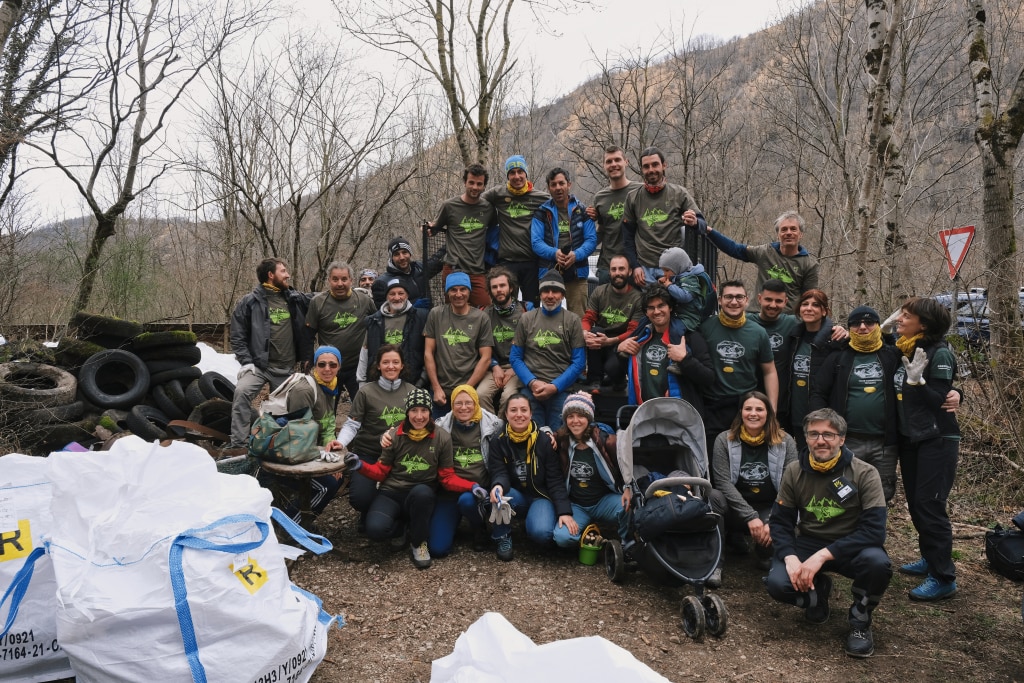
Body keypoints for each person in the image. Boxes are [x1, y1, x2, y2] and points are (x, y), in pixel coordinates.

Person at [765, 408, 891, 659]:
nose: (820, 440)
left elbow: (874, 531)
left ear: (842, 439)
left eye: (828, 435)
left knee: (878, 564)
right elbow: (780, 522)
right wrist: (790, 557)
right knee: (777, 584)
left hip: (852, 544)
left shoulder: (865, 473)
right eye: (814, 434)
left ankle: (860, 620)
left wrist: (823, 555)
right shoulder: (794, 471)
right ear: (806, 438)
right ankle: (817, 595)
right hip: (809, 541)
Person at [343, 388, 478, 569]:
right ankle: (403, 527)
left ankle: (418, 543)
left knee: (422, 493)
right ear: (407, 413)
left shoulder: (442, 437)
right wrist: (360, 465)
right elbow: (380, 472)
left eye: (424, 410)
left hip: (422, 494)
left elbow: (447, 477)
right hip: (392, 492)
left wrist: (472, 486)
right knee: (375, 530)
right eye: (414, 410)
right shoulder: (394, 435)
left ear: (430, 413)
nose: (419, 416)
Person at [893, 297, 960, 601]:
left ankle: (943, 576)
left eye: (906, 316)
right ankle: (929, 558)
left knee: (930, 506)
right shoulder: (905, 348)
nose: (899, 319)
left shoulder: (940, 353)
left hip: (937, 439)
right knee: (919, 505)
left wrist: (919, 383)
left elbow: (943, 402)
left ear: (924, 324)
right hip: (912, 438)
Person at [810, 306, 902, 503]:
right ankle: (846, 531)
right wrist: (824, 426)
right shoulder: (838, 356)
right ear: (849, 328)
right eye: (856, 323)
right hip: (848, 440)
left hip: (884, 442)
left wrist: (956, 392)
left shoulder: (891, 356)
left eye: (869, 323)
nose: (862, 327)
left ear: (878, 326)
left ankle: (874, 532)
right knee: (844, 493)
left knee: (881, 493)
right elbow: (818, 392)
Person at [330, 344, 415, 531]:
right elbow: (353, 424)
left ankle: (395, 519)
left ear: (402, 366)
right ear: (378, 365)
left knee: (408, 492)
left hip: (399, 456)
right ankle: (371, 512)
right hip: (368, 453)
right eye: (386, 362)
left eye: (395, 362)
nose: (390, 366)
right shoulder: (366, 392)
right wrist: (341, 442)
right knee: (360, 498)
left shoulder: (411, 391)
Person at [229, 257, 311, 448]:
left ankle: (288, 445)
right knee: (241, 392)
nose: (288, 274)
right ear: (271, 275)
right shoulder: (249, 302)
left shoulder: (293, 299)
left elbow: (320, 300)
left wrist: (353, 294)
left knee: (296, 404)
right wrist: (246, 361)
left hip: (286, 369)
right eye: (283, 271)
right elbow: (237, 335)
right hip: (259, 366)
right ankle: (238, 446)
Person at [712, 391, 798, 570]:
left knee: (768, 559)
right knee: (713, 497)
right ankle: (715, 564)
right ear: (740, 412)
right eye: (748, 408)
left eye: (759, 409)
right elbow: (722, 482)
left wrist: (774, 519)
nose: (753, 413)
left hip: (770, 507)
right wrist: (750, 516)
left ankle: (765, 553)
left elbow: (789, 485)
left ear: (768, 413)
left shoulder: (786, 441)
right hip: (734, 508)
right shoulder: (723, 440)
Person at [266, 345, 347, 523]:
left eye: (333, 365)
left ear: (339, 367)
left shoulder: (330, 387)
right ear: (313, 366)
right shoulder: (304, 391)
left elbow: (328, 425)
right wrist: (325, 463)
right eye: (322, 364)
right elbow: (296, 437)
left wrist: (331, 454)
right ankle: (288, 528)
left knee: (341, 473)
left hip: (306, 450)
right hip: (283, 453)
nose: (327, 369)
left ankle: (297, 522)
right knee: (326, 486)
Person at [485, 394, 571, 560]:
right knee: (497, 496)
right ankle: (502, 536)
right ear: (506, 415)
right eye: (513, 410)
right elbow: (499, 471)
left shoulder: (544, 440)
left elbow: (554, 479)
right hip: (515, 494)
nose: (519, 414)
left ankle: (535, 520)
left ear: (531, 414)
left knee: (541, 534)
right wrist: (498, 485)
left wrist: (564, 511)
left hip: (540, 496)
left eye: (524, 410)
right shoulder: (498, 440)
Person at [699, 280, 778, 458]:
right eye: (728, 297)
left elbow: (770, 371)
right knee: (713, 456)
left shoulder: (758, 332)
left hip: (746, 404)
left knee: (746, 457)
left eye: (739, 297)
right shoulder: (705, 328)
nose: (734, 302)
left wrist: (771, 410)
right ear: (720, 300)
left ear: (747, 300)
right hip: (713, 404)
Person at [551, 392, 631, 549]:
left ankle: (626, 544)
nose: (575, 421)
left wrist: (628, 487)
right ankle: (589, 534)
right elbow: (543, 436)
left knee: (629, 505)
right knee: (562, 538)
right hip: (576, 505)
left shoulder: (606, 441)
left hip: (603, 501)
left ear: (589, 418)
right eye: (570, 416)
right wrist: (547, 433)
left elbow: (628, 464)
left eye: (580, 416)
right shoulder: (561, 441)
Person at [430, 385, 503, 555]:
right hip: (448, 492)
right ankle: (453, 523)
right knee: (437, 549)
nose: (464, 407)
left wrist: (548, 433)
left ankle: (479, 528)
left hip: (480, 491)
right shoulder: (441, 427)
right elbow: (415, 427)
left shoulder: (494, 425)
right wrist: (389, 434)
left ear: (476, 403)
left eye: (468, 402)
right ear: (452, 405)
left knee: (467, 501)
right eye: (458, 403)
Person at [618, 284, 715, 411]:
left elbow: (709, 377)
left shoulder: (689, 337)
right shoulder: (641, 336)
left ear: (670, 308)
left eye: (661, 306)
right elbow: (622, 370)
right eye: (651, 308)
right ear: (646, 312)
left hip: (679, 416)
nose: (657, 311)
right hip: (645, 413)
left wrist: (685, 359)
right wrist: (619, 350)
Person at [509, 271, 586, 430]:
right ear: (540, 294)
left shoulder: (572, 320)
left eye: (555, 291)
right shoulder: (527, 318)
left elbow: (578, 362)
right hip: (531, 388)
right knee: (531, 435)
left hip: (560, 389)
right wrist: (532, 382)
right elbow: (515, 357)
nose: (550, 295)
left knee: (558, 437)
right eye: (546, 291)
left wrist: (555, 386)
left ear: (563, 295)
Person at [704, 211, 819, 314]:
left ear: (801, 234)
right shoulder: (766, 252)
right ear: (778, 235)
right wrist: (709, 231)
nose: (788, 233)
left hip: (787, 320)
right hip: (757, 314)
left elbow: (809, 297)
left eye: (793, 229)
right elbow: (735, 249)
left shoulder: (809, 264)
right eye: (784, 229)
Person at [621, 147, 705, 287]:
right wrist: (634, 266)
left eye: (655, 164)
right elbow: (627, 237)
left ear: (664, 165)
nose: (651, 169)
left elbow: (702, 224)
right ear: (642, 169)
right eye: (646, 166)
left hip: (672, 269)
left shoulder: (679, 193)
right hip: (644, 269)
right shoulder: (633, 197)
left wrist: (695, 222)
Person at [782, 289, 846, 448]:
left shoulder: (835, 338)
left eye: (815, 305)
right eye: (805, 304)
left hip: (823, 419)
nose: (809, 308)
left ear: (824, 311)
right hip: (794, 415)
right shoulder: (793, 337)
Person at [530, 166, 597, 318]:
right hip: (549, 272)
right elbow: (536, 242)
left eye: (561, 183)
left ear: (569, 184)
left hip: (577, 272)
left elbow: (591, 240)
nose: (558, 188)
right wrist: (555, 254)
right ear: (548, 188)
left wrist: (576, 255)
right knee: (550, 318)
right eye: (553, 184)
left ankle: (578, 343)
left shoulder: (582, 211)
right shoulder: (541, 213)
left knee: (579, 319)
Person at [422, 271, 493, 414]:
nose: (458, 294)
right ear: (448, 292)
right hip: (440, 391)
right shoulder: (436, 314)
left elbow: (485, 358)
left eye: (463, 289)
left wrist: (466, 390)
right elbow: (428, 353)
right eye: (453, 290)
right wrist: (436, 387)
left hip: (469, 389)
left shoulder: (481, 318)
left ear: (469, 291)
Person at [483, 155, 550, 304]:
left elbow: (561, 204)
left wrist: (590, 212)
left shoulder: (540, 197)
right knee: (504, 307)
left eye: (520, 171)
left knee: (532, 308)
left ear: (526, 173)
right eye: (512, 172)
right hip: (506, 263)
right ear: (507, 175)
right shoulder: (498, 194)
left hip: (531, 262)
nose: (517, 176)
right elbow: (475, 201)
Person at [429, 163, 498, 308]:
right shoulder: (449, 206)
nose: (475, 187)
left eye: (479, 184)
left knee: (485, 310)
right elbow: (436, 226)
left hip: (477, 270)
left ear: (484, 186)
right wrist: (429, 228)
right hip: (454, 268)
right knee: (454, 314)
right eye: (471, 182)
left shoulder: (488, 209)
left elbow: (493, 231)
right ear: (464, 182)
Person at [305, 261, 376, 400]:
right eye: (335, 279)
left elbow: (377, 326)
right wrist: (308, 359)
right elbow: (308, 334)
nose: (340, 284)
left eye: (344, 279)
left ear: (351, 280)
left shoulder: (364, 300)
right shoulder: (318, 302)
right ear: (329, 280)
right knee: (326, 412)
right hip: (329, 368)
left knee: (363, 408)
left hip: (358, 367)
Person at [582, 254, 643, 393]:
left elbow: (633, 330)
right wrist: (585, 333)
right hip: (600, 341)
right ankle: (594, 380)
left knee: (613, 367)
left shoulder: (638, 298)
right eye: (614, 269)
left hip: (620, 344)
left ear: (629, 272)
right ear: (609, 272)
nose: (617, 273)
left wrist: (610, 341)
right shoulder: (599, 292)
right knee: (594, 331)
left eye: (621, 269)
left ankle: (618, 380)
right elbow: (588, 318)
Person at [478, 267, 531, 415]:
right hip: (493, 365)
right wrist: (495, 367)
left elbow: (532, 346)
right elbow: (482, 345)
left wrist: (515, 369)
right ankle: (491, 429)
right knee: (480, 395)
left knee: (508, 397)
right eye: (494, 287)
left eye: (502, 285)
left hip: (519, 366)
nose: (499, 290)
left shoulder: (526, 310)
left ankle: (502, 431)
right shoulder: (484, 313)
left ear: (511, 287)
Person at [358, 278, 427, 387]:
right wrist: (361, 381)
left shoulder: (420, 318)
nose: (397, 298)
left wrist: (422, 380)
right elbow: (365, 353)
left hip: (413, 383)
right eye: (392, 294)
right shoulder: (374, 321)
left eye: (401, 293)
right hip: (380, 384)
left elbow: (428, 352)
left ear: (407, 295)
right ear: (386, 297)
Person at [588, 145, 641, 284]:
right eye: (609, 161)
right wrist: (583, 246)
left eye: (617, 160)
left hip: (636, 265)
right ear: (604, 165)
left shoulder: (639, 190)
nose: (614, 164)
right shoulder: (600, 197)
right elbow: (602, 229)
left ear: (626, 162)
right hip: (608, 266)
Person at [371, 236, 440, 308]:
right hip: (405, 319)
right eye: (397, 254)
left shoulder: (419, 268)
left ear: (410, 253)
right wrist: (411, 307)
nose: (402, 257)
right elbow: (383, 311)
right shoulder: (382, 282)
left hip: (429, 318)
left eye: (404, 252)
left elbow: (438, 260)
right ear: (391, 258)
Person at [658, 246, 714, 331]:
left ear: (678, 267)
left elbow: (685, 297)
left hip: (690, 317)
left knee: (675, 330)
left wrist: (670, 286)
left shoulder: (690, 279)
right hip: (680, 313)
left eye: (666, 270)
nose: (664, 274)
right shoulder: (679, 276)